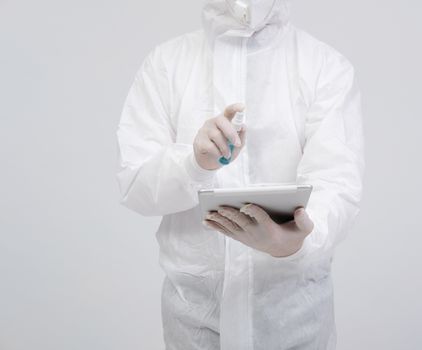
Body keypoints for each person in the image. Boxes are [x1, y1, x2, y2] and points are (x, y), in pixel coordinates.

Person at [116, 0, 364, 349]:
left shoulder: (323, 67)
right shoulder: (167, 64)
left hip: (293, 323)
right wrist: (193, 164)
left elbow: (337, 183)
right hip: (193, 325)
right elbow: (135, 183)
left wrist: (295, 243)